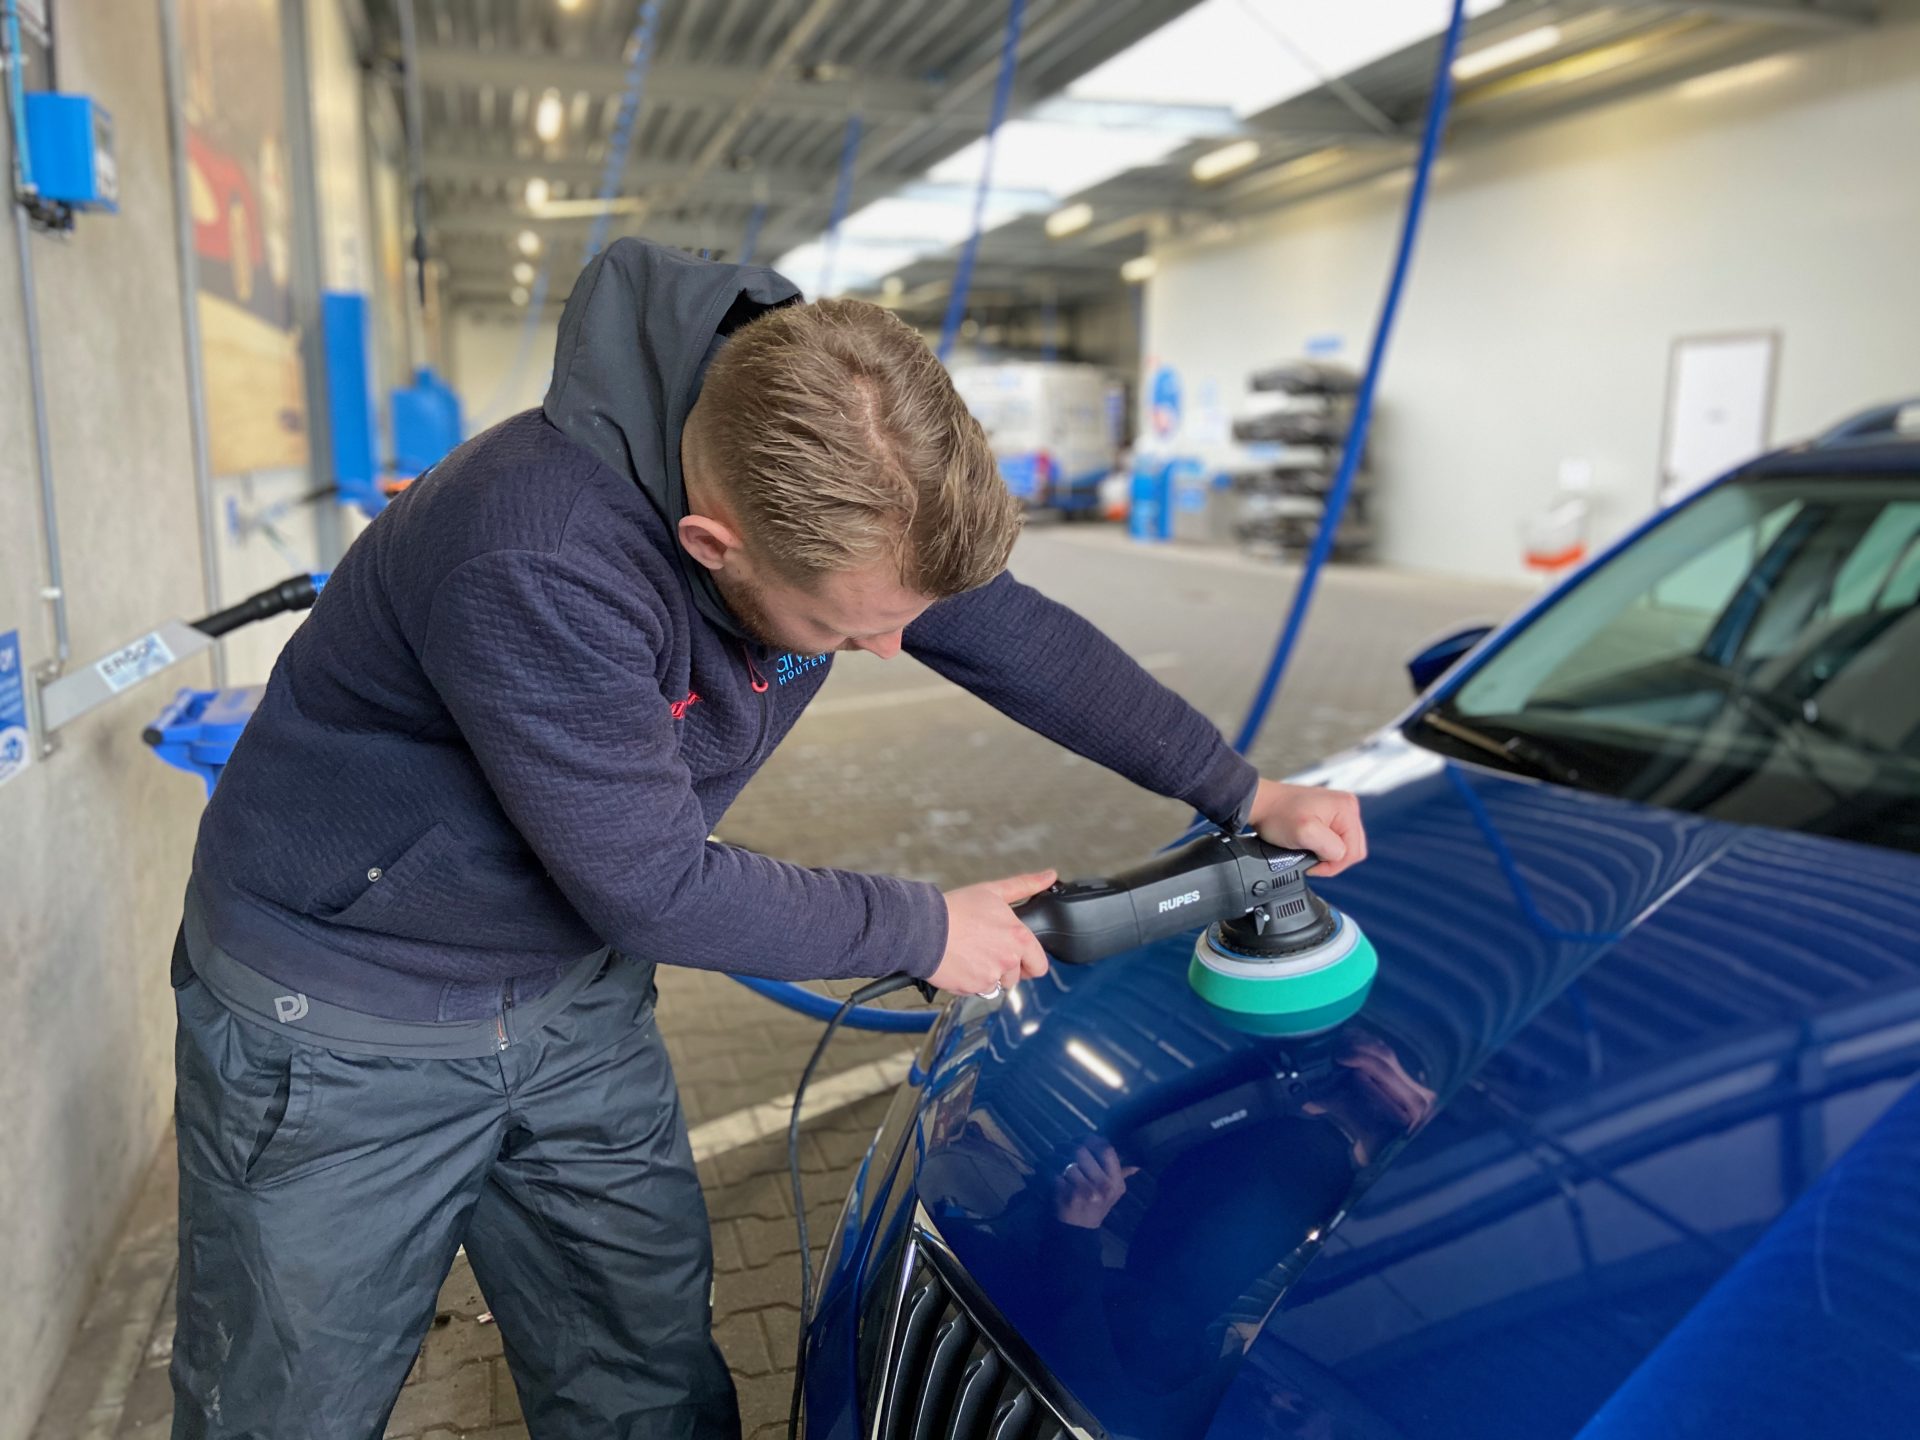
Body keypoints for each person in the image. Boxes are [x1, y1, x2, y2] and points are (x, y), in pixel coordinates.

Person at [168, 239, 1368, 1440]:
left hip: (571, 995)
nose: (892, 650)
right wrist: (922, 926)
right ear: (711, 544)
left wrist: (1244, 789)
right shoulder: (534, 553)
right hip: (339, 1022)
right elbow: (651, 882)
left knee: (641, 1368)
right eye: (846, 633)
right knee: (288, 1402)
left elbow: (1019, 642)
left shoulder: (842, 471)